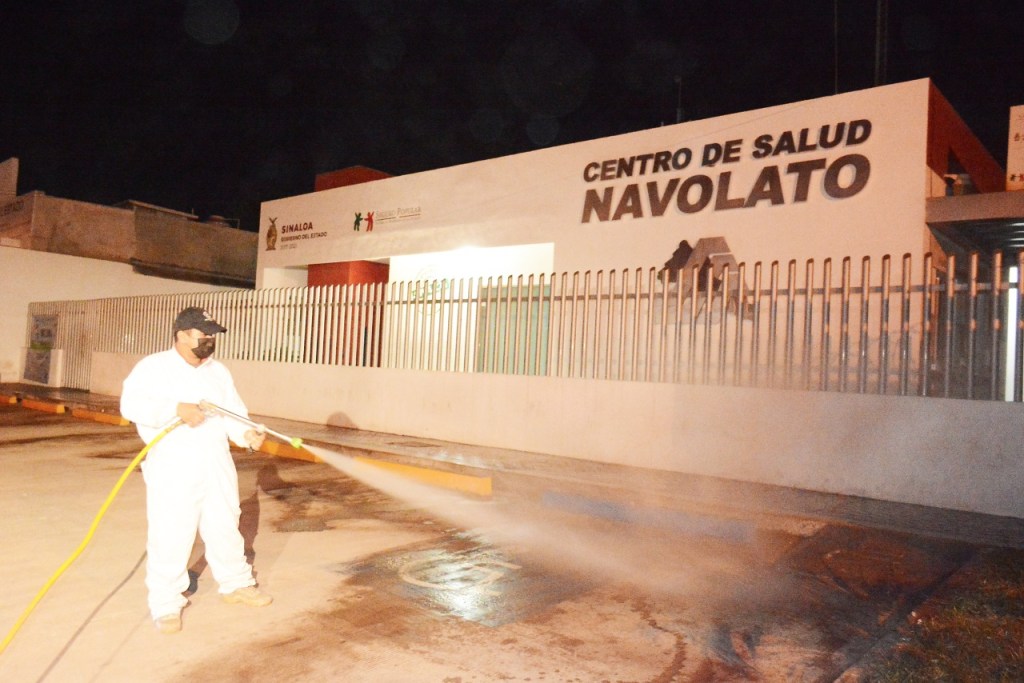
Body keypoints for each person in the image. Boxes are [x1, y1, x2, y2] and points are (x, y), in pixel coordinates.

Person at [120, 306, 272, 634]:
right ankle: (166, 603)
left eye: (213, 335)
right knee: (172, 533)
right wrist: (175, 409)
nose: (210, 340)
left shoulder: (218, 372)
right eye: (204, 334)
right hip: (173, 462)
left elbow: (233, 413)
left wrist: (246, 434)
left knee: (225, 524)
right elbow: (130, 405)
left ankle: (236, 584)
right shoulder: (154, 367)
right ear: (182, 335)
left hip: (215, 459)